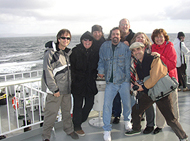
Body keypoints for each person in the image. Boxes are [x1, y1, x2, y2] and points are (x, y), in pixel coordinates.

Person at [125, 42, 188, 141]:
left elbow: (155, 77)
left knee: (170, 119)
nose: (136, 52)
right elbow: (143, 79)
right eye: (133, 50)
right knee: (136, 110)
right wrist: (139, 84)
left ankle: (183, 137)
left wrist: (143, 87)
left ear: (143, 48)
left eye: (138, 49)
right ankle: (136, 128)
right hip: (149, 93)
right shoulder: (137, 64)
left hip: (161, 93)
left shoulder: (153, 59)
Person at [42, 29, 79, 141]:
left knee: (67, 112)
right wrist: (54, 89)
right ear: (58, 39)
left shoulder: (67, 53)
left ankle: (69, 130)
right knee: (51, 115)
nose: (65, 40)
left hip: (66, 90)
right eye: (63, 38)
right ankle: (46, 137)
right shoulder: (50, 53)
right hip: (55, 92)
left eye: (68, 38)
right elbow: (47, 72)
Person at [98, 27, 133, 141]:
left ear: (120, 36)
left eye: (117, 34)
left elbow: (128, 65)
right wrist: (101, 71)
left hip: (123, 82)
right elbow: (101, 61)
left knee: (127, 103)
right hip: (111, 82)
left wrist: (128, 81)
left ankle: (127, 120)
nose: (115, 36)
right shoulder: (104, 47)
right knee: (107, 106)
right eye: (113, 34)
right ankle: (107, 130)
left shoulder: (125, 48)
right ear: (110, 35)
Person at [151, 29, 180, 134]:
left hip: (169, 80)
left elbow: (172, 65)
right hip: (158, 80)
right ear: (153, 39)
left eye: (161, 36)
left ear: (165, 37)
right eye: (157, 37)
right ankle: (159, 125)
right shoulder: (152, 48)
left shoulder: (170, 47)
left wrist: (159, 57)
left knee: (173, 103)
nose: (159, 39)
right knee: (160, 103)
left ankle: (175, 123)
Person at [70, 31, 99, 136]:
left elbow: (98, 66)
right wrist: (74, 79)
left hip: (90, 83)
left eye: (90, 40)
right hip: (78, 82)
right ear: (81, 40)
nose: (87, 42)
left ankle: (78, 120)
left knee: (89, 104)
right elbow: (71, 67)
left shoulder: (95, 52)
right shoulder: (75, 51)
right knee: (78, 105)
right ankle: (77, 126)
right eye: (85, 39)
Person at [130, 32, 155, 134]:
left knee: (148, 102)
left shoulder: (150, 51)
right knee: (140, 100)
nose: (140, 39)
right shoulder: (132, 52)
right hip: (137, 79)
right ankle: (141, 117)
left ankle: (150, 124)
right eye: (138, 37)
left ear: (146, 40)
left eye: (142, 37)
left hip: (148, 81)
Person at [112, 18, 135, 124]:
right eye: (122, 24)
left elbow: (140, 49)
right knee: (116, 93)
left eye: (126, 24)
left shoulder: (134, 36)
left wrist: (129, 47)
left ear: (129, 26)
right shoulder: (116, 36)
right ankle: (116, 114)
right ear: (119, 26)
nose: (124, 26)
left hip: (131, 69)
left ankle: (135, 114)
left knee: (131, 94)